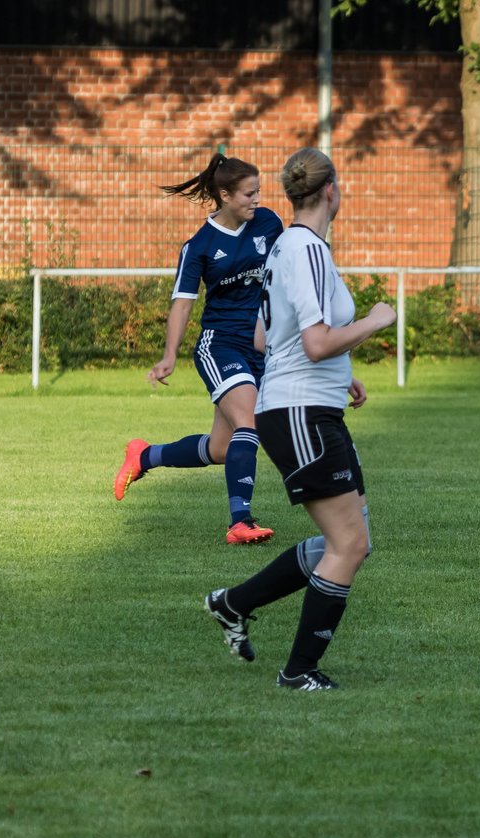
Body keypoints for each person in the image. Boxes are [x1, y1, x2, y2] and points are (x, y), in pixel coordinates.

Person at [204, 147, 397, 691]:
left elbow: (269, 338)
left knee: (354, 541)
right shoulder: (306, 249)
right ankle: (299, 672)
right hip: (300, 414)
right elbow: (314, 343)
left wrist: (341, 372)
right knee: (349, 546)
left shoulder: (291, 247)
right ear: (332, 190)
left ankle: (233, 603)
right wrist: (373, 321)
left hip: (309, 406)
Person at [114, 153, 283, 545]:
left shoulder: (269, 224)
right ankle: (240, 522)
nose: (256, 200)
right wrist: (169, 355)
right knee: (250, 424)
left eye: (259, 192)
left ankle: (143, 456)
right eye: (248, 194)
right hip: (220, 344)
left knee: (224, 449)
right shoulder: (200, 246)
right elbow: (183, 302)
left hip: (261, 345)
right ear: (224, 194)